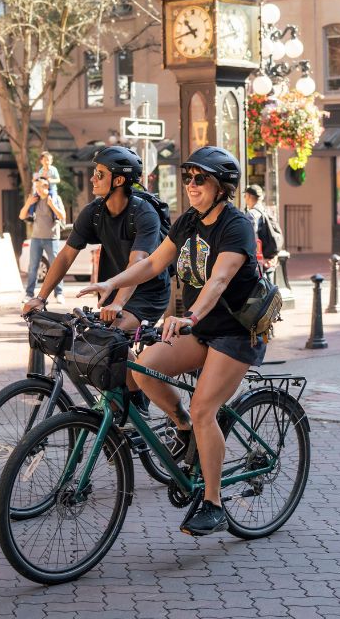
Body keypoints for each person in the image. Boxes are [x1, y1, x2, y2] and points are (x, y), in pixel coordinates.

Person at [80, 146, 264, 537]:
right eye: (188, 178)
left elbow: (219, 280)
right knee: (145, 365)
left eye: (201, 179)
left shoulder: (237, 225)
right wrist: (111, 283)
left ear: (221, 187)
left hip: (234, 332)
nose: (192, 185)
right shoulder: (187, 223)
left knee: (203, 408)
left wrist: (189, 316)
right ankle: (181, 427)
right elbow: (151, 264)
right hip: (199, 328)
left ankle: (212, 503)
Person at [24, 146, 169, 331]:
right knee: (91, 343)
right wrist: (41, 297)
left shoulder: (144, 214)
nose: (93, 178)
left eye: (100, 175)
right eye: (94, 173)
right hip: (111, 288)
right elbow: (66, 255)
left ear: (118, 180)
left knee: (111, 338)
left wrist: (118, 303)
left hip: (148, 292)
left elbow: (137, 261)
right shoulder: (94, 212)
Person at [21, 176, 66, 304]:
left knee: (55, 267)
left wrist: (52, 205)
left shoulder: (55, 199)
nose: (38, 189)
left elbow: (62, 216)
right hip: (36, 238)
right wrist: (28, 203)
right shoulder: (34, 200)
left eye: (40, 186)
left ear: (46, 186)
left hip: (51, 239)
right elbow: (22, 215)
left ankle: (59, 293)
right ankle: (29, 294)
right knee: (33, 267)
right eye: (37, 186)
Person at [243, 184, 277, 275]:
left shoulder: (251, 215)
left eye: (245, 196)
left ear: (249, 196)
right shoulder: (267, 211)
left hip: (259, 263)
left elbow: (251, 239)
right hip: (269, 260)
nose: (244, 198)